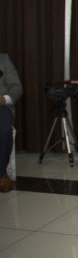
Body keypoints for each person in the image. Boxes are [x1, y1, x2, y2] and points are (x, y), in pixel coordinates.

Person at [0, 53, 22, 193]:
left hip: (1, 106)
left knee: (4, 131)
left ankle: (1, 173)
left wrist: (4, 99)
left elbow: (17, 87)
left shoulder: (3, 59)